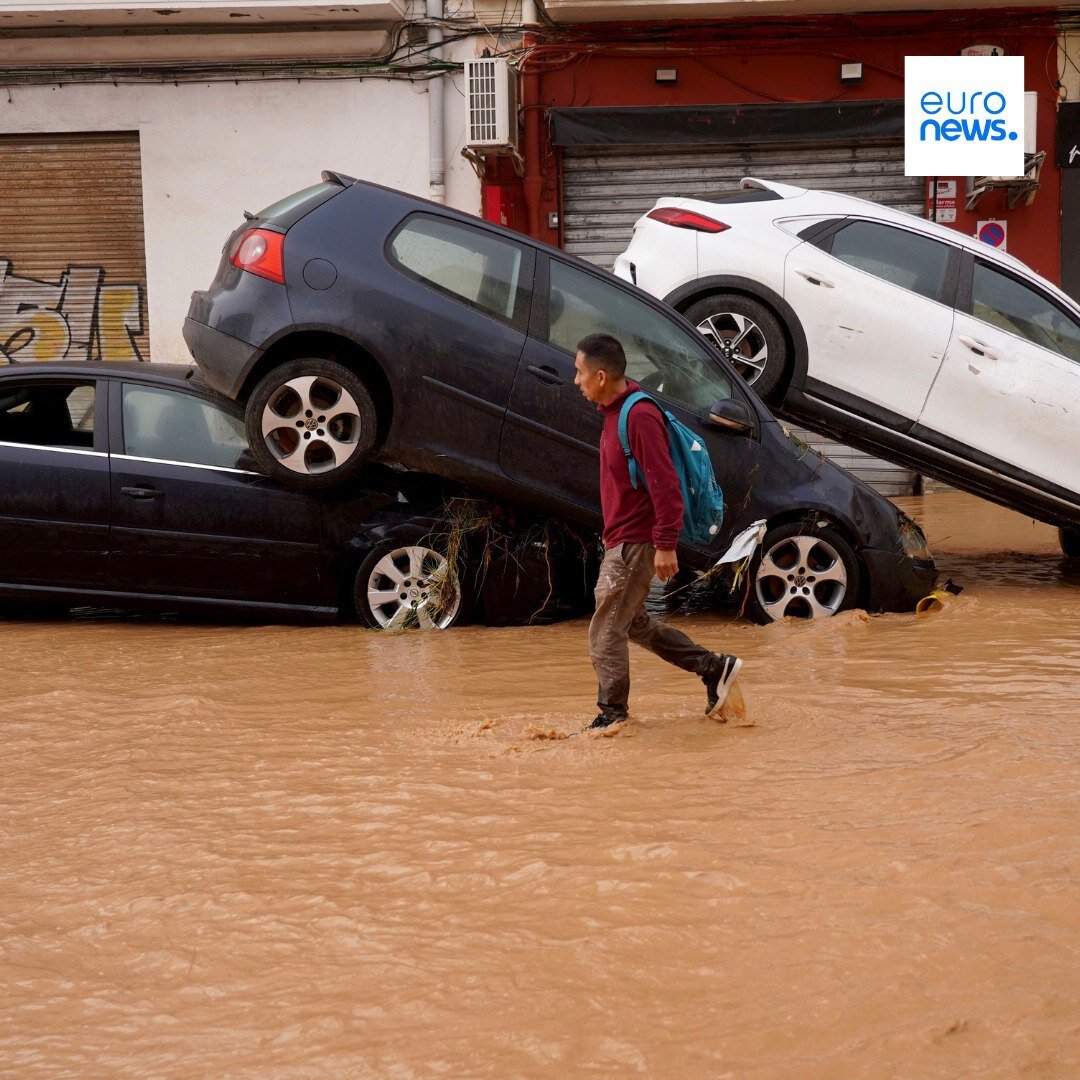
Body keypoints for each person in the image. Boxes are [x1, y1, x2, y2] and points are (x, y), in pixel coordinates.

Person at [574, 332, 742, 730]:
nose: (576, 381)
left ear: (600, 376)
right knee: (631, 623)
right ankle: (714, 668)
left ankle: (612, 716)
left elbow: (665, 485)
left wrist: (666, 544)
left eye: (579, 373)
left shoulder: (639, 415)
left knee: (606, 628)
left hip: (637, 541)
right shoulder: (615, 413)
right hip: (622, 539)